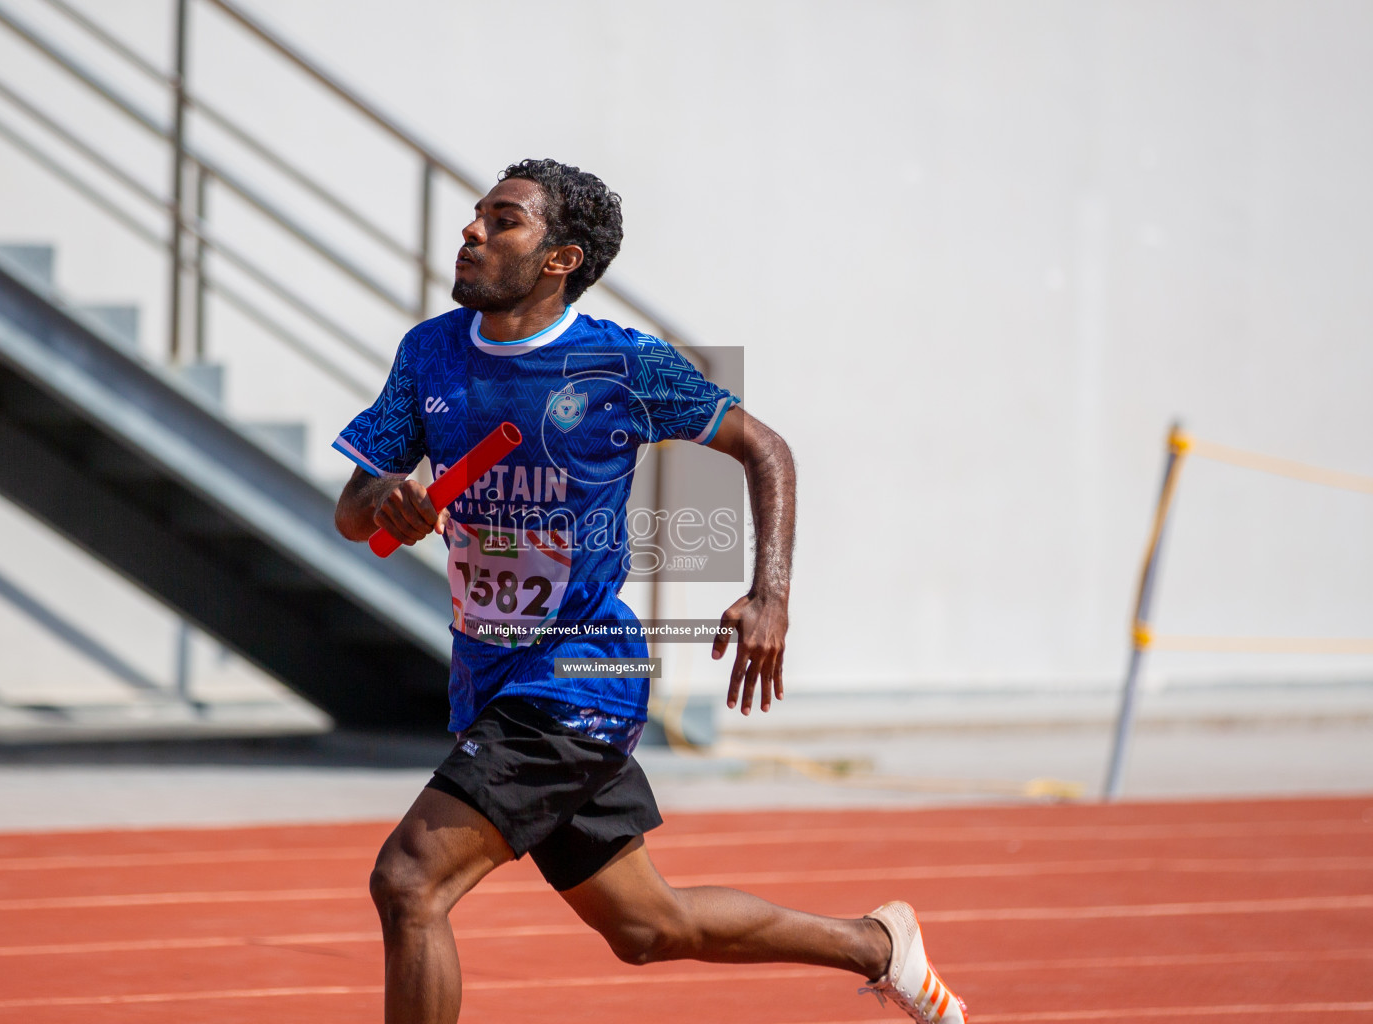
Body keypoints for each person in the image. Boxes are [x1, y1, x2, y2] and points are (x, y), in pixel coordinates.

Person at [332, 158, 967, 1024]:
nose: (471, 230)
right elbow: (352, 509)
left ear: (561, 258)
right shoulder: (429, 352)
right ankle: (876, 944)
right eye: (476, 213)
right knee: (646, 924)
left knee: (409, 881)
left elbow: (766, 447)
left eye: (503, 220)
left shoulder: (621, 363)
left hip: (577, 678)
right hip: (488, 676)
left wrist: (769, 594)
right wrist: (390, 504)